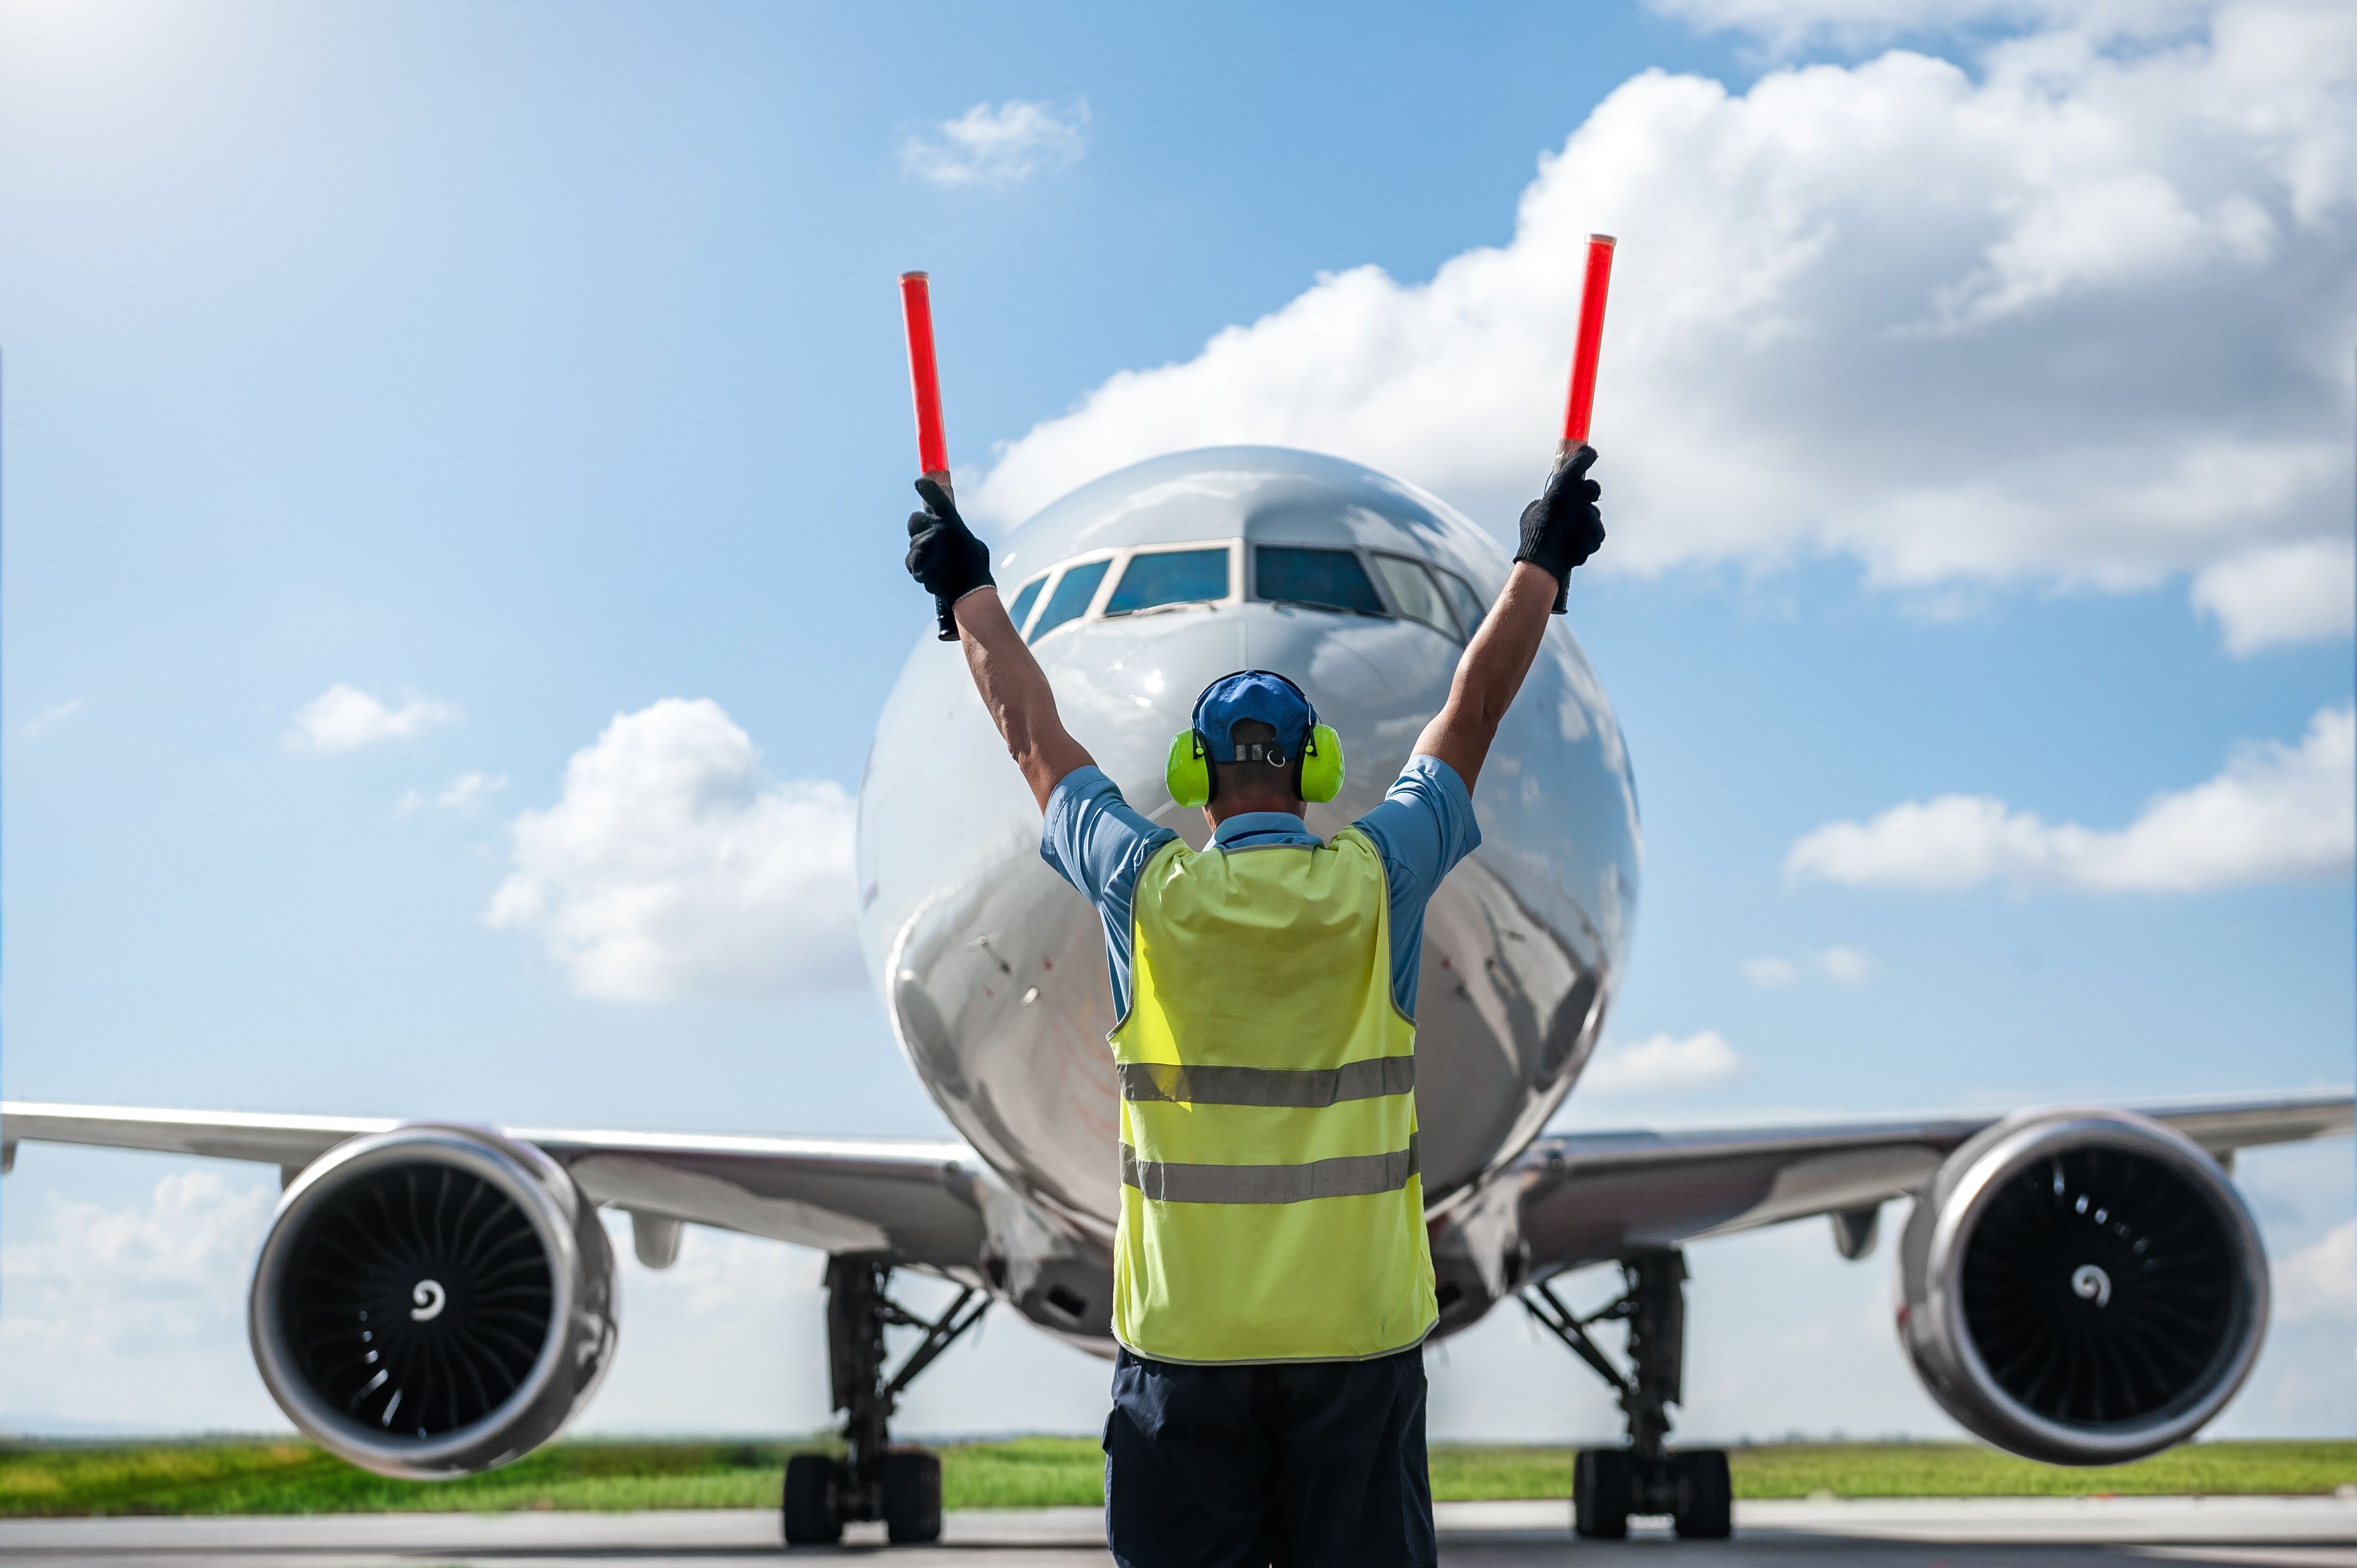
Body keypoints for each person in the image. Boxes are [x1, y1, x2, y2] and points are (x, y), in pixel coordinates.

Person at [903, 451, 1607, 1568]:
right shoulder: (1378, 881)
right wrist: (1538, 564)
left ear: (1191, 776)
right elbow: (1472, 709)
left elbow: (1031, 735)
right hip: (1356, 1341)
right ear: (1319, 766)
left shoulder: (1147, 889)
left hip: (1187, 1345)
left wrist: (966, 592)